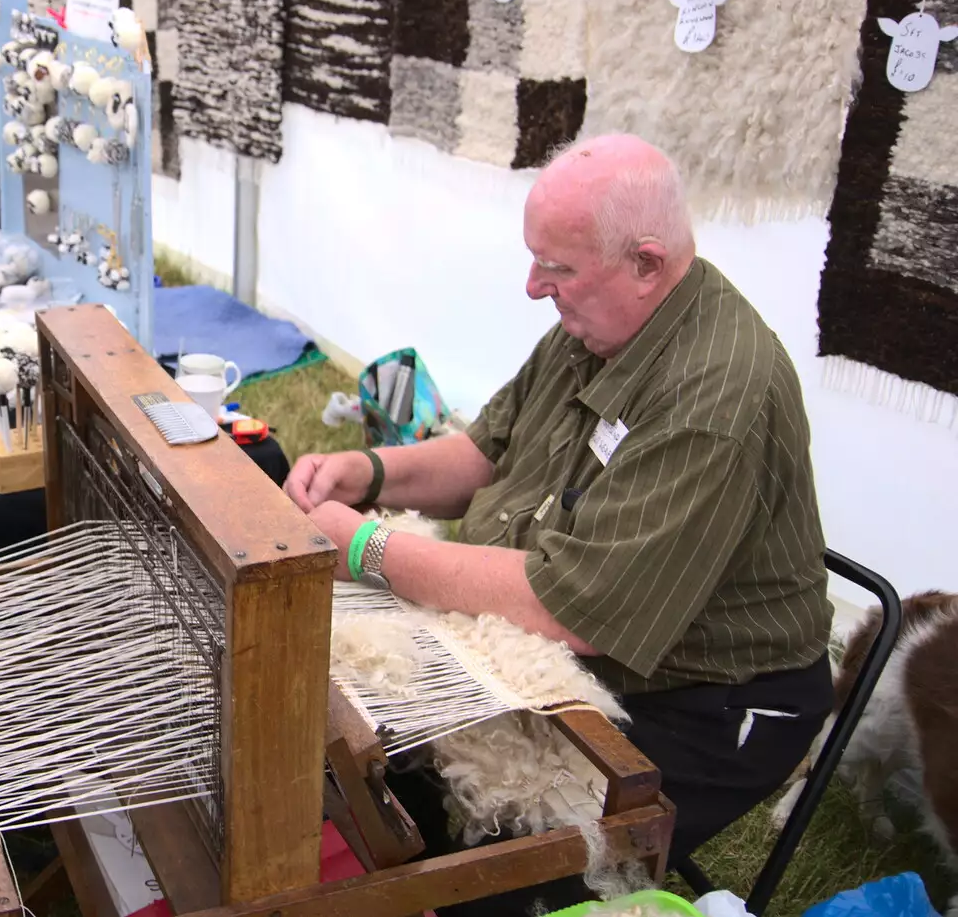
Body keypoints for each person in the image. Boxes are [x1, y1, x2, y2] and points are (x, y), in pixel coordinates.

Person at [286, 134, 833, 909]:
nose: (535, 287)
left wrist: (368, 545)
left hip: (707, 701)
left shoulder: (717, 395)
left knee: (487, 874)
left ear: (647, 262)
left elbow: (562, 607)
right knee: (380, 767)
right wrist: (371, 470)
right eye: (537, 260)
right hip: (589, 641)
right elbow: (486, 448)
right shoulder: (603, 324)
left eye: (559, 268)